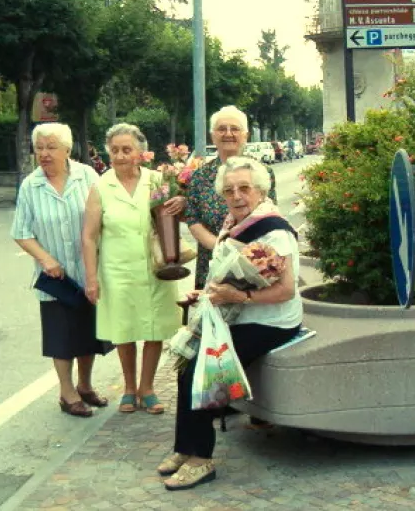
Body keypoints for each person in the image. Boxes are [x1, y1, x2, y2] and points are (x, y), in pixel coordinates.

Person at [158, 156, 302, 490]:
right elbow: (229, 273)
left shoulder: (274, 231)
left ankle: (201, 460)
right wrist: (206, 294)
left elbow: (285, 291)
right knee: (185, 364)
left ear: (261, 190)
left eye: (244, 189)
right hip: (237, 314)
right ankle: (185, 447)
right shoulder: (233, 220)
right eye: (229, 190)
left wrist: (240, 299)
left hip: (272, 321)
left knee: (203, 366)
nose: (236, 196)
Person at [82, 123, 183, 414]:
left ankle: (147, 388)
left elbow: (172, 218)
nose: (120, 155)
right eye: (114, 150)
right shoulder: (101, 186)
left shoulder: (156, 180)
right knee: (124, 329)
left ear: (140, 152)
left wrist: (180, 201)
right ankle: (128, 388)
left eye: (127, 149)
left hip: (154, 269)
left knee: (153, 327)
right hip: (117, 270)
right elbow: (89, 236)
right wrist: (92, 278)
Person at [11, 123, 110, 418]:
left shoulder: (87, 176)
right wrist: (45, 259)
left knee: (88, 333)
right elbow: (21, 231)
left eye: (51, 147)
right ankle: (67, 394)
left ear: (67, 149)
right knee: (61, 337)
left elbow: (104, 216)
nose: (43, 153)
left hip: (88, 272)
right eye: (39, 147)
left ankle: (85, 386)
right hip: (55, 280)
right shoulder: (31, 185)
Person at [185, 105, 276, 291]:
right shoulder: (200, 176)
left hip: (252, 264)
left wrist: (242, 254)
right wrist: (221, 249)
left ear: (245, 135)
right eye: (221, 129)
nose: (228, 134)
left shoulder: (263, 172)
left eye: (235, 129)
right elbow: (193, 219)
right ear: (213, 136)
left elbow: (270, 216)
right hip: (212, 264)